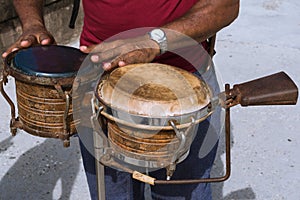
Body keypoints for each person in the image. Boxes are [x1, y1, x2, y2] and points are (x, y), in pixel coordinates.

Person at [2, 0, 239, 199]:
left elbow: (225, 6)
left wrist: (153, 40)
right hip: (97, 79)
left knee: (181, 191)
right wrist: (33, 23)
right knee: (112, 193)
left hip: (185, 84)